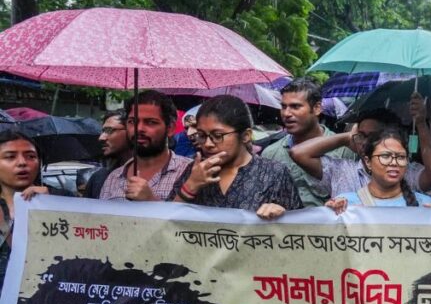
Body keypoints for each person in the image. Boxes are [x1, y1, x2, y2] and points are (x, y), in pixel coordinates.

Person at [170, 95, 302, 217]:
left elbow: (299, 230)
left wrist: (282, 215)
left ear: (245, 136)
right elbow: (165, 223)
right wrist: (191, 185)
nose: (208, 144)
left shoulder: (274, 174)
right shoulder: (195, 170)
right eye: (202, 136)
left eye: (217, 136)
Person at [290, 95, 431, 198]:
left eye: (372, 136)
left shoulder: (407, 172)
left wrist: (421, 124)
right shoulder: (341, 170)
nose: (365, 142)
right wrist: (347, 137)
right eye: (361, 135)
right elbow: (298, 153)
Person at [261, 78, 354, 208]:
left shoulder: (344, 150)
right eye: (283, 107)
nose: (286, 114)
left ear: (316, 108)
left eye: (295, 106)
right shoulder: (271, 154)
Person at [325, 128, 431, 214]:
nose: (394, 162)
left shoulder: (425, 205)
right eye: (385, 156)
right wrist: (330, 213)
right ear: (368, 162)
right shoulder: (345, 204)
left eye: (400, 157)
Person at [99, 91, 192, 201]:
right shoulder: (114, 178)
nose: (139, 129)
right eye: (132, 121)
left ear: (170, 128)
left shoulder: (190, 173)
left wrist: (151, 200)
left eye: (151, 122)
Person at [0, 131, 51, 286]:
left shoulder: (61, 199)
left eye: (30, 156)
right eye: (10, 157)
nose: (22, 162)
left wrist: (51, 206)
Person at [83, 110, 130, 198]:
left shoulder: (152, 176)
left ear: (131, 132)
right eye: (103, 131)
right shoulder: (98, 178)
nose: (101, 138)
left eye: (109, 130)